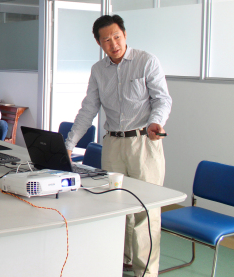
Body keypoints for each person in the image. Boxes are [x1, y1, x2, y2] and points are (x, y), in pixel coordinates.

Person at [64, 14, 171, 277]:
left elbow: (162, 100)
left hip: (143, 143)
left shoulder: (147, 61)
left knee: (146, 209)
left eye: (117, 37)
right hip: (113, 144)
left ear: (124, 35)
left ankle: (145, 272)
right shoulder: (98, 71)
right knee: (115, 205)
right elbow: (88, 109)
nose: (113, 44)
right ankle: (120, 261)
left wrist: (156, 123)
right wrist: (69, 143)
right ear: (99, 43)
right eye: (106, 40)